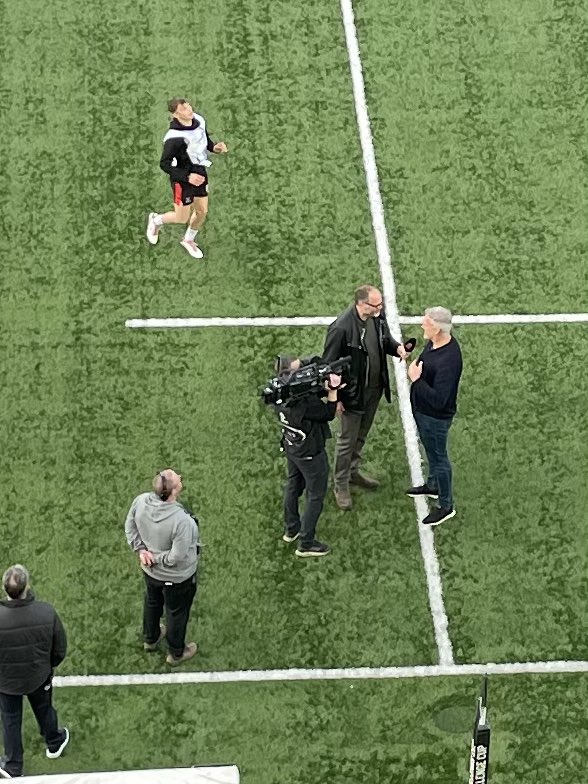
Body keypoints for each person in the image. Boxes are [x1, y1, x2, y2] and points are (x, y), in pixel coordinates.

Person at [322, 285, 411, 510]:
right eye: (376, 305)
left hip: (373, 389)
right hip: (353, 394)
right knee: (346, 440)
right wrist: (337, 397)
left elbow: (385, 339)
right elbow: (328, 366)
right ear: (362, 304)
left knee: (360, 436)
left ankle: (353, 472)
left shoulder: (377, 318)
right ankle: (340, 483)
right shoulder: (341, 328)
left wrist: (397, 348)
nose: (380, 308)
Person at [124, 469, 201, 666]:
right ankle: (176, 653)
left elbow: (129, 526)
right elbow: (177, 556)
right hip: (178, 577)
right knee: (176, 613)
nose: (181, 477)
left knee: (152, 602)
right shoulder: (182, 521)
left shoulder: (140, 501)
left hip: (150, 572)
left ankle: (151, 638)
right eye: (178, 479)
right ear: (173, 491)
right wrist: (155, 558)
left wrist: (142, 552)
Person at [0, 565, 69, 779]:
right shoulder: (46, 612)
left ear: (5, 589)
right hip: (38, 677)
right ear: (26, 587)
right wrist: (48, 667)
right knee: (44, 709)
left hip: (5, 683)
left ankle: (13, 765)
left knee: (10, 719)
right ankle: (54, 743)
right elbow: (59, 648)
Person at [275, 357, 344, 557]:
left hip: (292, 447)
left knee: (293, 485)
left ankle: (291, 528)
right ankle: (306, 542)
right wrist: (332, 391)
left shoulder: (280, 395)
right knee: (315, 495)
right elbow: (328, 413)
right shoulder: (305, 405)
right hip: (310, 453)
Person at [146, 97, 228, 259]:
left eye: (188, 105)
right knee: (181, 217)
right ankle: (155, 220)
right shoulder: (174, 138)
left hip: (200, 173)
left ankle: (188, 240)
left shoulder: (198, 120)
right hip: (182, 180)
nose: (189, 110)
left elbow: (204, 141)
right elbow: (165, 164)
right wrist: (187, 177)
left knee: (202, 211)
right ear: (175, 114)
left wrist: (215, 148)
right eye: (183, 109)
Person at [406, 307, 463, 526]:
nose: (422, 326)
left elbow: (440, 399)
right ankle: (433, 485)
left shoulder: (449, 360)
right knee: (431, 451)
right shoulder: (434, 343)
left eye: (426, 323)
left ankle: (446, 505)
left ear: (437, 328)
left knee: (439, 458)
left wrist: (416, 380)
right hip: (424, 412)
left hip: (435, 417)